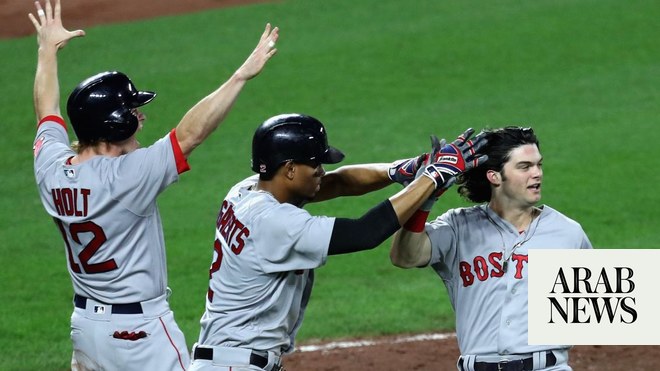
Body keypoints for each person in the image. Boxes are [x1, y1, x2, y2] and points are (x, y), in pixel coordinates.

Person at [29, 0, 278, 369]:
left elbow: (45, 109)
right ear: (116, 125)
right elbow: (190, 135)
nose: (140, 117)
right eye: (132, 112)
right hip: (139, 335)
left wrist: (47, 50)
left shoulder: (51, 167)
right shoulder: (128, 177)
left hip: (85, 329)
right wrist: (240, 75)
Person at [188, 113, 488, 371]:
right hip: (235, 363)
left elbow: (338, 182)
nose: (322, 171)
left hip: (227, 358)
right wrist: (434, 177)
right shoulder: (275, 223)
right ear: (290, 169)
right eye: (315, 164)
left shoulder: (247, 191)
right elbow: (364, 233)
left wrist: (401, 170)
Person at [390, 126, 593, 371]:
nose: (537, 173)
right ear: (494, 176)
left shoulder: (567, 233)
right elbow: (404, 257)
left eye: (539, 165)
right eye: (525, 167)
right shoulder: (458, 226)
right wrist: (425, 200)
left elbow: (599, 304)